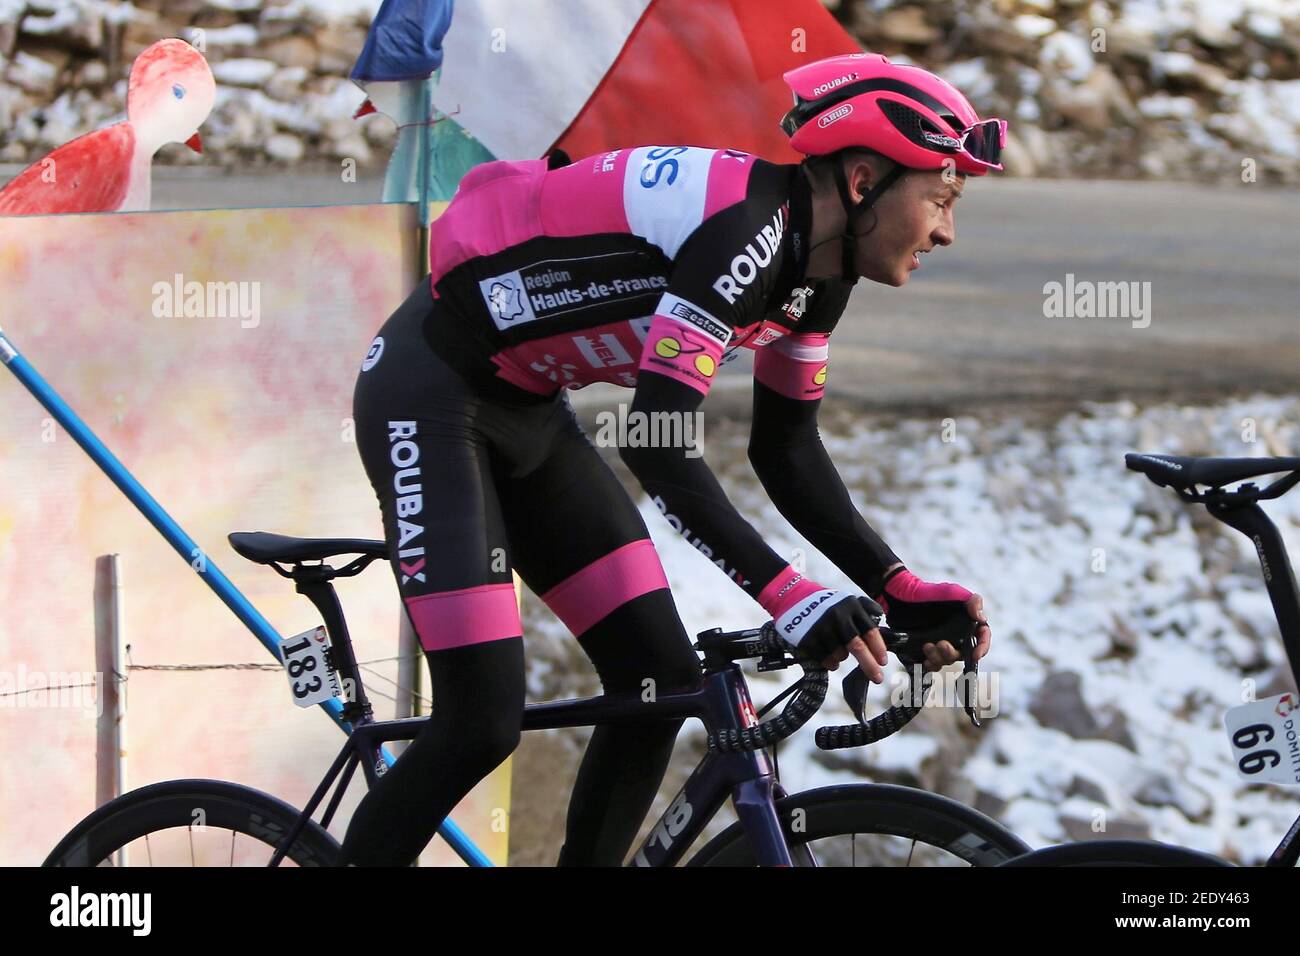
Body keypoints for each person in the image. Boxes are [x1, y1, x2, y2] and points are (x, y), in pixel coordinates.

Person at [340, 52, 1001, 866]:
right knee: (480, 721)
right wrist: (789, 595)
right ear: (863, 182)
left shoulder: (819, 272)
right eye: (939, 199)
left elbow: (786, 448)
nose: (946, 230)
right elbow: (655, 442)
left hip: (531, 413)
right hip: (429, 397)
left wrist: (894, 585)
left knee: (654, 685)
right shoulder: (747, 235)